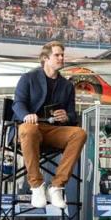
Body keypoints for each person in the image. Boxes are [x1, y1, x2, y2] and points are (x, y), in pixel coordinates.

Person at [12, 41, 87, 210]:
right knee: (28, 129)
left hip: (54, 130)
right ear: (45, 58)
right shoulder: (28, 78)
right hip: (31, 128)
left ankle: (56, 186)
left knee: (79, 133)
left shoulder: (67, 85)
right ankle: (37, 186)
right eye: (57, 55)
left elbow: (73, 114)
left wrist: (67, 116)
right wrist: (26, 115)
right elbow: (17, 104)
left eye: (62, 55)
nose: (61, 58)